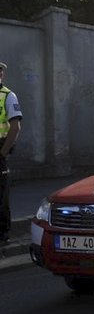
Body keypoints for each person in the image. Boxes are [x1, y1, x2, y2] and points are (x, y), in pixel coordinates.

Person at [0, 61, 24, 242]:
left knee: (1, 194)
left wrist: (2, 153)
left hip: (0, 149)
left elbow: (15, 128)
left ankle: (2, 234)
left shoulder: (8, 96)